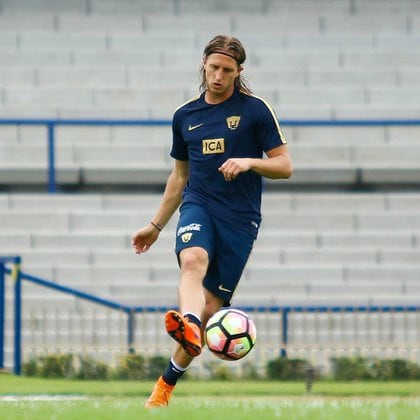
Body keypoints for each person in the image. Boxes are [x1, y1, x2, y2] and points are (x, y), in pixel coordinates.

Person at [132, 34, 293, 408]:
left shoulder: (255, 111)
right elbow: (179, 177)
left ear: (239, 72)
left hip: (240, 219)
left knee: (210, 312)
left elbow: (285, 165)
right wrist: (155, 226)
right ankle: (187, 323)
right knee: (192, 261)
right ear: (203, 65)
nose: (218, 76)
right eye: (213, 68)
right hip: (199, 204)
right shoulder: (185, 116)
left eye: (227, 70)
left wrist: (251, 162)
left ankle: (165, 386)